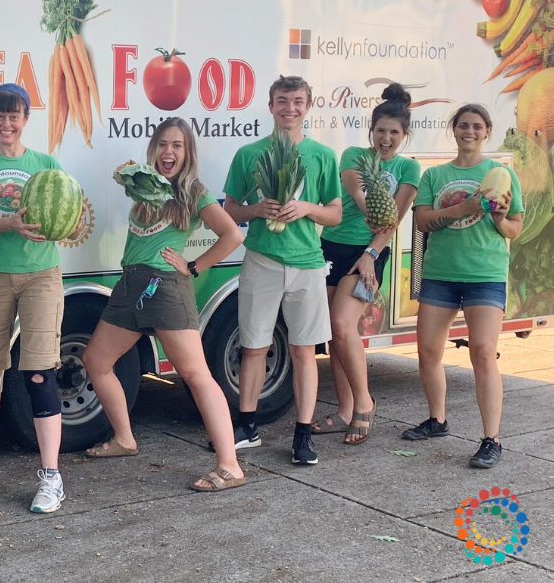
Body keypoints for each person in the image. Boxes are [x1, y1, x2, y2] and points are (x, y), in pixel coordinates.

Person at [82, 118, 246, 492]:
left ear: (187, 153)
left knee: (195, 375)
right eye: (162, 144)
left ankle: (230, 465)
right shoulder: (145, 186)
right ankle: (124, 439)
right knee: (96, 361)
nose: (168, 152)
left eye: (177, 146)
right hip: (131, 285)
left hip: (165, 286)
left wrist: (193, 266)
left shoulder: (194, 192)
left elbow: (232, 234)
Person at [0, 83, 83, 513]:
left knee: (40, 372)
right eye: (0, 115)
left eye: (15, 115)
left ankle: (51, 477)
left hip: (41, 275)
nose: (7, 123)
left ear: (26, 119)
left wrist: (72, 225)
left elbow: (70, 223)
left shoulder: (46, 164)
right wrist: (9, 223)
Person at [222, 75, 342, 466]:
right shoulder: (249, 154)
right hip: (262, 259)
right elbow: (229, 210)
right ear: (270, 106)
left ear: (309, 106)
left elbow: (336, 213)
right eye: (282, 101)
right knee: (254, 346)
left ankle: (303, 435)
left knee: (303, 350)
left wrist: (307, 208)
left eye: (297, 101)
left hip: (307, 264)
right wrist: (257, 210)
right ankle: (247, 427)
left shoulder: (322, 155)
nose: (290, 108)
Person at [403, 104, 523, 468]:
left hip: (484, 273)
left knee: (483, 352)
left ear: (487, 132)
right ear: (453, 130)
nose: (468, 131)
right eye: (462, 125)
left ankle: (492, 439)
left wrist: (501, 218)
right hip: (440, 272)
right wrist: (464, 207)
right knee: (427, 352)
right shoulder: (435, 176)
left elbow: (514, 228)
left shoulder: (500, 174)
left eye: (476, 126)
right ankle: (437, 420)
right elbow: (422, 221)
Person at [313, 84, 420, 444]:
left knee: (344, 324)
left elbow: (394, 221)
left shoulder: (409, 169)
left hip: (370, 251)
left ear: (404, 135)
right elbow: (360, 196)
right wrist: (375, 213)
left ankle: (364, 403)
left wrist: (371, 254)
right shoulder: (353, 156)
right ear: (371, 131)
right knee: (332, 332)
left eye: (393, 132)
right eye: (380, 130)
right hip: (332, 247)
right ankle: (344, 409)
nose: (385, 138)